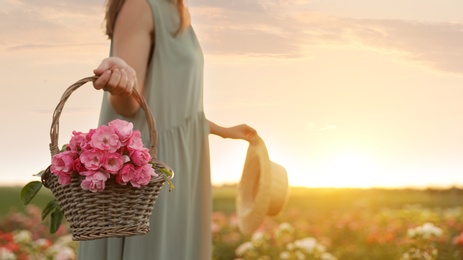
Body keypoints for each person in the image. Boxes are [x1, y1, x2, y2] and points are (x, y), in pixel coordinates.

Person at [77, 0, 257, 259]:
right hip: (150, 166)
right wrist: (120, 82)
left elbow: (172, 106)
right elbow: (128, 106)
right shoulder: (140, 5)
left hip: (184, 160)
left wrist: (220, 130)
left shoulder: (178, 11)